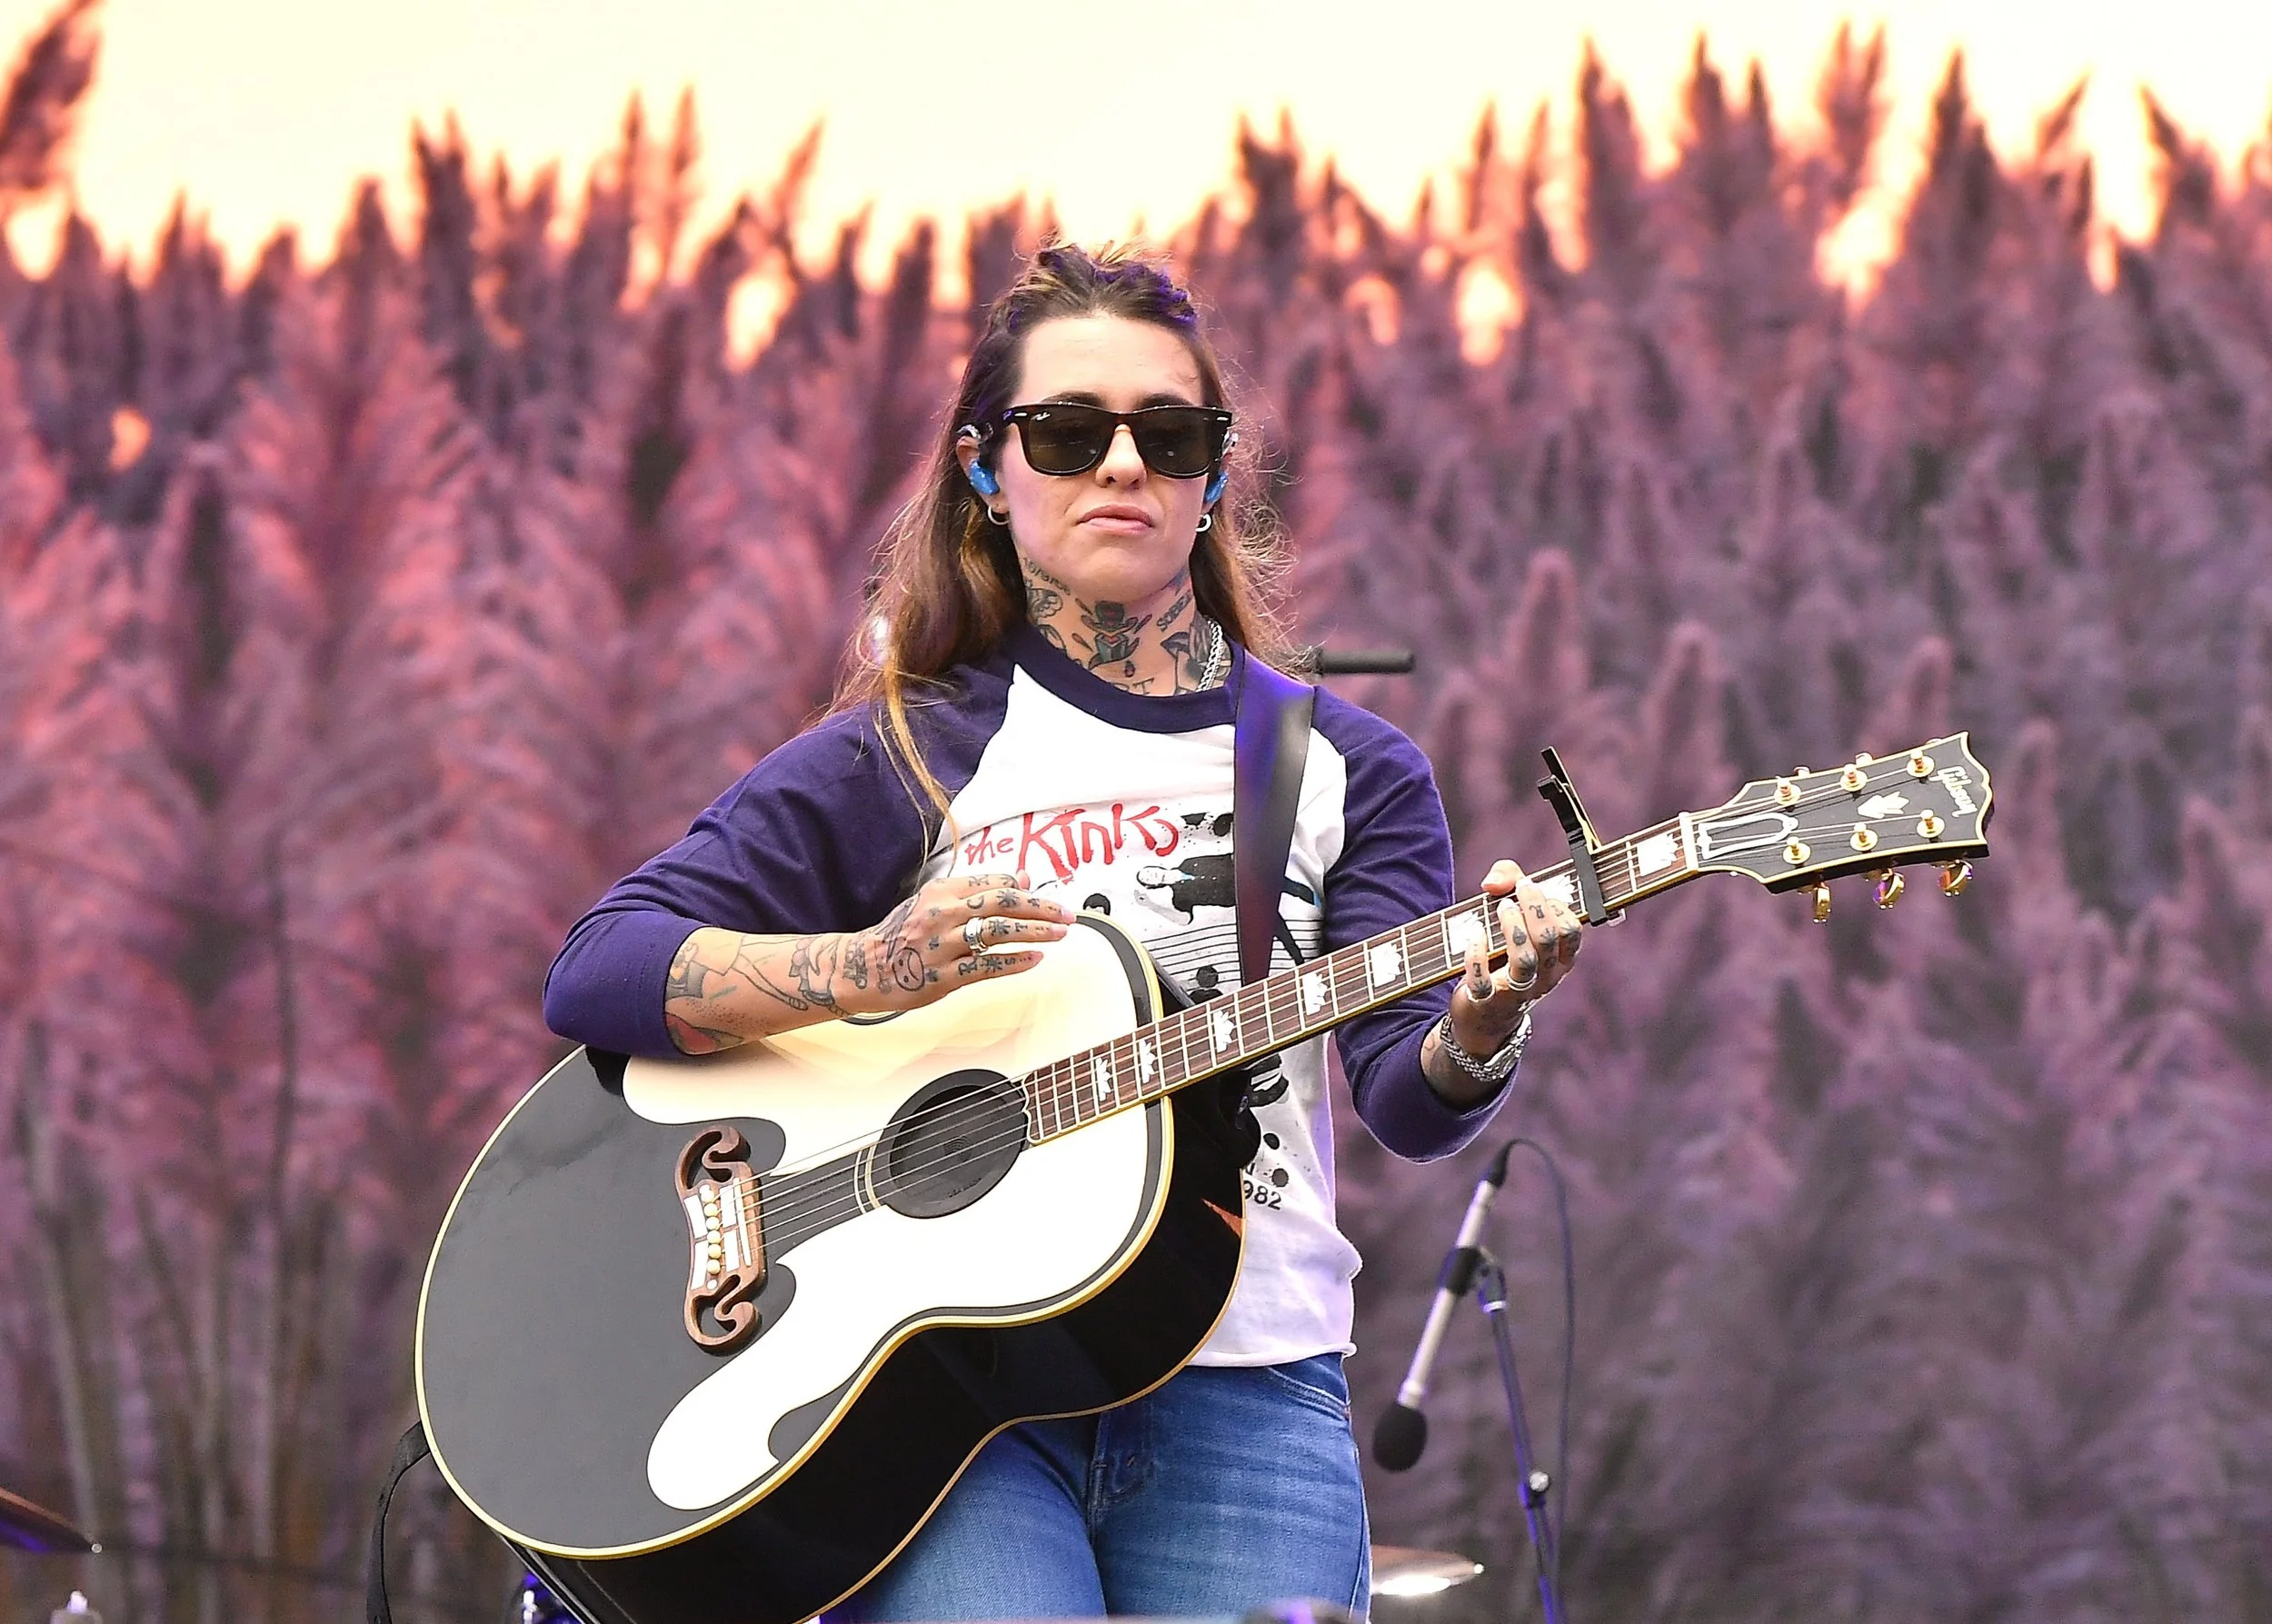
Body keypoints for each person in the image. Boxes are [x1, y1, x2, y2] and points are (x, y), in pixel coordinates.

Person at [542, 242, 1586, 1620]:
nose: (1123, 465)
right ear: (987, 468)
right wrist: (870, 966)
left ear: (1214, 473)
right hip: (955, 1407)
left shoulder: (1343, 766)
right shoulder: (907, 750)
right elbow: (600, 968)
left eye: (1170, 434)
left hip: (1251, 1390)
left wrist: (1484, 1018)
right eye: (1068, 432)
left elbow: (1406, 1098)